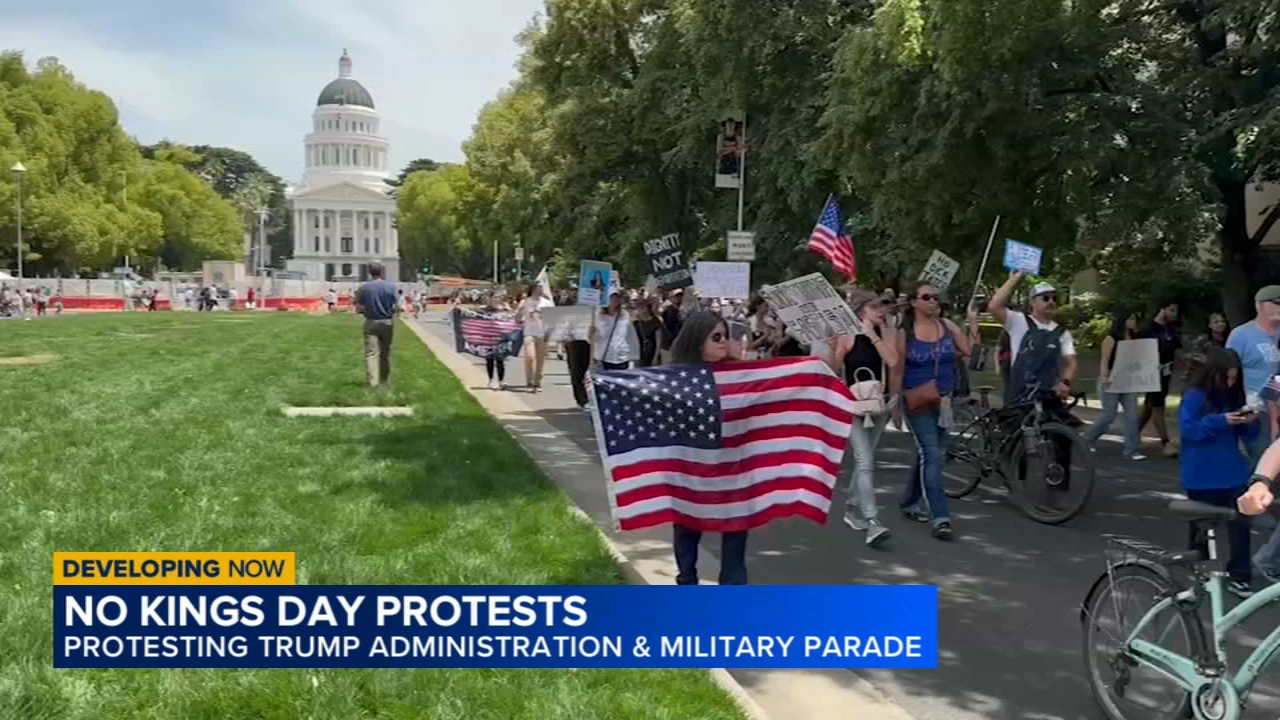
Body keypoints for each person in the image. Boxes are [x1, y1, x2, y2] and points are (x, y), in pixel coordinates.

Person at [668, 311, 749, 584]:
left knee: (737, 530)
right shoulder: (675, 377)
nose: (724, 342)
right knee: (687, 528)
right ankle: (687, 582)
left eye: (726, 335)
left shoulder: (741, 373)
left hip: (734, 465)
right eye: (716, 336)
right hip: (692, 467)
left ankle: (733, 593)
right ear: (697, 339)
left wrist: (743, 366)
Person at [892, 282, 971, 540]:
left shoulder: (946, 327)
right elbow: (897, 368)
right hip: (916, 400)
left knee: (930, 453)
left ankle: (908, 501)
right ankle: (940, 517)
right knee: (932, 454)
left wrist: (962, 324)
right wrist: (895, 402)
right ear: (914, 302)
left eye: (936, 298)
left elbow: (967, 351)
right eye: (927, 297)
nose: (933, 302)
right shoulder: (905, 332)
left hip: (944, 400)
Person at [1178, 348, 1258, 597]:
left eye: (1235, 378)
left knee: (1241, 525)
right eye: (1227, 377)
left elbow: (1248, 436)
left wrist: (1250, 422)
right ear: (1214, 374)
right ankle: (1196, 571)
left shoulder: (1233, 397)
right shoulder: (1195, 396)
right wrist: (1221, 421)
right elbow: (1189, 430)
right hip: (1201, 474)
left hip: (1232, 472)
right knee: (1200, 528)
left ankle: (1240, 574)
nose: (1231, 382)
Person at [827, 289, 899, 547]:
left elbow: (892, 361)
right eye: (875, 308)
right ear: (861, 311)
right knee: (864, 460)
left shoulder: (886, 333)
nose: (881, 312)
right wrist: (835, 348)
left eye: (883, 308)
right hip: (853, 406)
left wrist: (873, 336)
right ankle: (872, 521)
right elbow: (834, 371)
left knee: (867, 459)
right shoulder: (847, 335)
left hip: (878, 404)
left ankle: (851, 508)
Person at [988, 272, 1077, 406]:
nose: (1051, 302)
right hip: (1020, 392)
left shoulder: (1062, 332)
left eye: (1054, 299)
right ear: (1033, 302)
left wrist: (1065, 383)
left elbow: (1071, 362)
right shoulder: (1018, 321)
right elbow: (994, 307)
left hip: (1048, 393)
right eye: (1046, 298)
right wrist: (1015, 279)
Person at [1227, 285, 1280, 468]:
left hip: (1276, 403)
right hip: (1255, 407)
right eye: (1276, 303)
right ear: (1260, 305)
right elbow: (1228, 371)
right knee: (1260, 456)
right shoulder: (1241, 335)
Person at [1085, 309, 1146, 461]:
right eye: (1131, 318)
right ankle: (1086, 440)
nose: (1134, 321)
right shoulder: (1111, 339)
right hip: (1111, 380)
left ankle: (1132, 449)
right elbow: (1104, 360)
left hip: (1127, 381)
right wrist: (1105, 376)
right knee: (1108, 415)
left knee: (1132, 415)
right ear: (1123, 320)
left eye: (1135, 318)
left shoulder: (1134, 338)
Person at [1137, 301, 1182, 458]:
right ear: (1161, 309)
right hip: (1152, 373)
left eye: (1175, 311)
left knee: (1150, 405)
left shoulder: (1170, 329)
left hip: (1166, 372)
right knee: (1157, 406)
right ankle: (1166, 443)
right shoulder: (1148, 330)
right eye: (1171, 310)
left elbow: (1177, 349)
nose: (1174, 314)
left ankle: (1133, 435)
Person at [352, 263, 398, 390]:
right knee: (385, 352)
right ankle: (384, 380)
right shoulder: (391, 286)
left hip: (371, 321)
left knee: (371, 353)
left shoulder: (364, 287)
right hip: (387, 322)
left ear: (369, 273)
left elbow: (357, 305)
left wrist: (364, 310)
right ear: (382, 272)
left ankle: (373, 382)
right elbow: (396, 305)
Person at [516, 282, 549, 391]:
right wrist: (520, 311)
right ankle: (529, 379)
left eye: (541, 288)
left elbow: (553, 319)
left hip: (542, 333)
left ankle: (537, 382)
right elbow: (517, 318)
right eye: (538, 287)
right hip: (529, 333)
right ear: (533, 289)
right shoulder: (525, 302)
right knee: (530, 356)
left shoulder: (547, 303)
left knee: (540, 360)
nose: (540, 290)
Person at [590, 291, 633, 371]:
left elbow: (629, 334)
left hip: (621, 355)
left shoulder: (625, 314)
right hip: (603, 355)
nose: (614, 300)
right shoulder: (598, 315)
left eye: (616, 298)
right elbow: (592, 337)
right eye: (611, 298)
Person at [632, 298, 662, 368]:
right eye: (638, 308)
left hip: (651, 351)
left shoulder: (655, 322)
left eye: (642, 307)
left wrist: (655, 357)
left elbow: (658, 342)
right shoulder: (636, 322)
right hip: (640, 354)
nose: (640, 310)